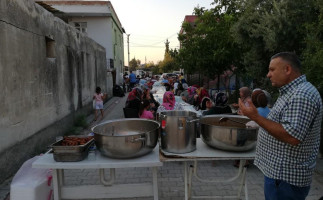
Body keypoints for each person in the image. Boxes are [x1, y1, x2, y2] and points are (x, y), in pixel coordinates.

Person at [239, 52, 322, 200]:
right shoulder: (291, 92)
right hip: (280, 176)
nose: (268, 75)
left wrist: (255, 117)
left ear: (287, 69)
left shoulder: (301, 95)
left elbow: (292, 136)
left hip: (285, 179)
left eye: (272, 70)